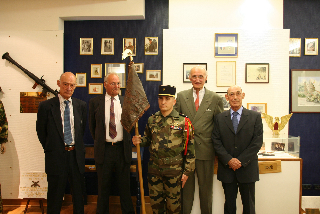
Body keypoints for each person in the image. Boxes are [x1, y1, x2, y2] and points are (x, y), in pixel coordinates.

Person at [132, 85, 195, 214]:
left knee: (173, 208)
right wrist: (139, 141)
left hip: (174, 171)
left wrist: (187, 171)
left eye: (167, 98)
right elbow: (147, 140)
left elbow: (190, 148)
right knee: (156, 207)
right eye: (161, 98)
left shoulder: (183, 121)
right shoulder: (152, 120)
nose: (163, 102)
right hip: (154, 170)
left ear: (174, 101)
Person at [36, 72, 87, 214]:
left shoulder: (81, 106)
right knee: (55, 196)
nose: (68, 88)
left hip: (75, 156)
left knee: (78, 195)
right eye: (65, 84)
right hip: (56, 157)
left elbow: (80, 131)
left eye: (72, 85)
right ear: (59, 83)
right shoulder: (46, 107)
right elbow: (41, 132)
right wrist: (52, 148)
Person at [175, 66, 223, 214]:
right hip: (185, 151)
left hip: (206, 151)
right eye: (194, 76)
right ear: (189, 78)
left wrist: (218, 152)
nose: (197, 79)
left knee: (206, 191)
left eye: (200, 76)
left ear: (206, 78)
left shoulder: (215, 98)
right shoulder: (182, 96)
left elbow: (219, 126)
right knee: (186, 191)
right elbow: (176, 123)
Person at [212, 85, 263, 214]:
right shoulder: (219, 118)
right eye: (231, 94)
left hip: (247, 168)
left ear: (243, 95)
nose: (235, 97)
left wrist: (240, 160)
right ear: (227, 97)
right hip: (227, 169)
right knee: (229, 205)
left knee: (249, 206)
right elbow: (216, 141)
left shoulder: (255, 116)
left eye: (238, 94)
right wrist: (229, 160)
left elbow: (257, 142)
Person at [89, 72, 134, 214]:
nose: (116, 86)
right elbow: (92, 127)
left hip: (122, 150)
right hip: (105, 150)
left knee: (125, 189)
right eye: (113, 83)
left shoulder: (126, 101)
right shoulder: (95, 102)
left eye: (118, 83)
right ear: (105, 85)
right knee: (103, 189)